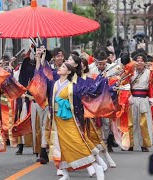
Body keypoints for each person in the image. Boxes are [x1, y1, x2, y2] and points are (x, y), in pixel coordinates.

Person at [31, 51, 106, 180]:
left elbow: (92, 91)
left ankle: (95, 165)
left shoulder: (74, 87)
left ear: (69, 72)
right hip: (56, 119)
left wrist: (101, 79)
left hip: (69, 120)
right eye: (61, 67)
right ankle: (65, 172)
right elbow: (41, 76)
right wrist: (39, 58)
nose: (60, 68)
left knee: (78, 143)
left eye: (64, 67)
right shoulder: (53, 84)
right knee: (61, 146)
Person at [129, 53, 153, 152]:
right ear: (134, 62)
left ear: (145, 62)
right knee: (132, 123)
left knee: (144, 123)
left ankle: (144, 144)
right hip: (132, 99)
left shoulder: (149, 72)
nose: (139, 62)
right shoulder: (130, 72)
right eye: (137, 60)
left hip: (144, 99)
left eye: (141, 60)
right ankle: (130, 144)